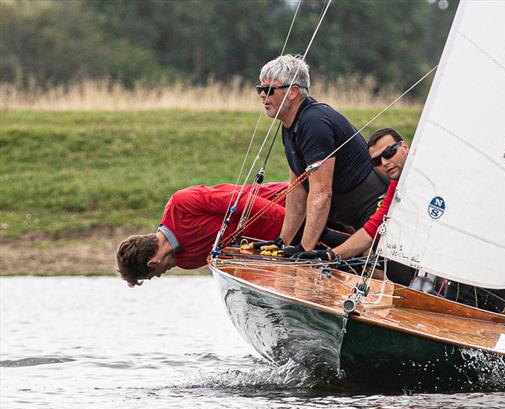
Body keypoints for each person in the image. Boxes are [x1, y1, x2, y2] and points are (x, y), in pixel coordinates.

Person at [258, 55, 387, 254]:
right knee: (303, 233)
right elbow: (298, 190)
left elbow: (321, 192)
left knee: (377, 268)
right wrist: (282, 243)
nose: (262, 95)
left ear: (292, 92)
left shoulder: (314, 122)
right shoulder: (290, 124)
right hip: (352, 220)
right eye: (260, 89)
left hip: (376, 218)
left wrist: (304, 250)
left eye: (269, 90)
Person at [116, 182, 287, 287]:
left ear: (153, 262)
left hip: (290, 202)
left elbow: (244, 202)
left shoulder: (181, 204)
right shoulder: (186, 262)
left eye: (156, 274)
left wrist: (293, 224)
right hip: (285, 243)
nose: (161, 274)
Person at [294, 128, 408, 261]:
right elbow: (371, 231)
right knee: (371, 251)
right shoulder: (396, 185)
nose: (384, 163)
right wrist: (328, 255)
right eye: (376, 161)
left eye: (389, 153)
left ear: (404, 146)